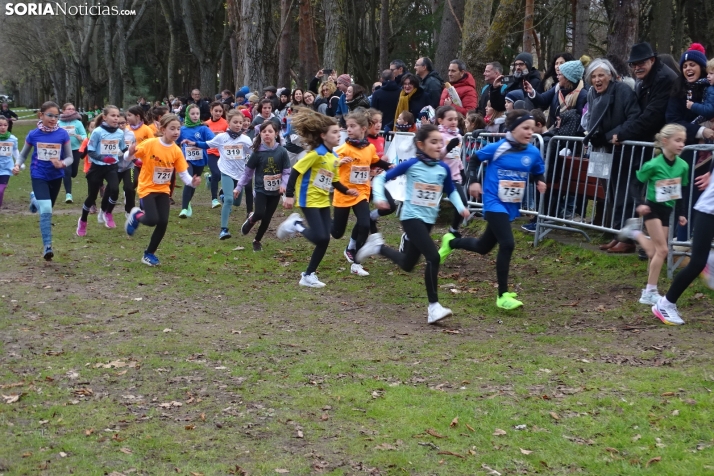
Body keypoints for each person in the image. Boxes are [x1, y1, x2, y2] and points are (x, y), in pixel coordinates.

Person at [355, 124, 469, 324]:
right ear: (420, 145)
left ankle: (378, 247)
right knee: (433, 256)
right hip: (410, 217)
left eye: (440, 142)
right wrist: (379, 197)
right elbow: (382, 178)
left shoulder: (442, 168)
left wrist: (460, 207)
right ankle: (433, 307)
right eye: (433, 142)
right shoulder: (411, 164)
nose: (438, 146)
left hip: (428, 220)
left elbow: (450, 190)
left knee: (408, 264)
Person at [438, 110, 547, 310]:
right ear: (513, 129)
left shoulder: (532, 152)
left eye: (532, 128)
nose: (530, 132)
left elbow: (537, 170)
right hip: (493, 200)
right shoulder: (498, 147)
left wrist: (540, 181)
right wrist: (475, 182)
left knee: (483, 246)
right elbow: (474, 159)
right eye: (525, 128)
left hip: (511, 203)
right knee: (507, 243)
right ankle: (502, 295)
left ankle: (452, 242)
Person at [276, 109, 356, 288]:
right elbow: (296, 171)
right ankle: (296, 224)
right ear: (323, 135)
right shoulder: (315, 154)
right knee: (321, 237)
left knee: (325, 239)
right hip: (308, 199)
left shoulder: (333, 156)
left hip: (322, 201)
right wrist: (289, 195)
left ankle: (308, 275)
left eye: (338, 132)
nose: (338, 135)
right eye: (334, 132)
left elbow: (333, 180)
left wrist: (346, 190)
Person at [618, 124, 689, 306]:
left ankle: (634, 232)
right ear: (665, 141)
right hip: (652, 209)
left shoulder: (683, 166)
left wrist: (681, 213)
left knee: (654, 252)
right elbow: (635, 184)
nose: (682, 144)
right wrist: (640, 204)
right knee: (663, 250)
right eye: (678, 140)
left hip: (667, 210)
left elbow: (680, 190)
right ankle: (649, 291)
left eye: (684, 141)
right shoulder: (653, 164)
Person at [124, 114, 201, 266]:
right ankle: (137, 215)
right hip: (147, 188)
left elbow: (183, 175)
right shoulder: (150, 144)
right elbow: (127, 158)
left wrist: (192, 182)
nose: (176, 132)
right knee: (152, 220)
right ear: (163, 129)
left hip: (163, 190)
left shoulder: (176, 151)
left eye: (178, 129)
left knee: (163, 222)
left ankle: (149, 254)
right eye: (172, 128)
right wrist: (131, 152)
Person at [582, 58, 641, 253]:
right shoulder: (592, 93)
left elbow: (634, 117)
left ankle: (627, 239)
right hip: (603, 151)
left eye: (601, 75)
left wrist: (608, 136)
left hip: (623, 150)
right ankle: (617, 234)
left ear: (611, 76)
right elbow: (591, 118)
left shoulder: (622, 90)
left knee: (625, 195)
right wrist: (593, 135)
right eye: (594, 76)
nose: (597, 80)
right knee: (612, 195)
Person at [651, 155, 712, 325]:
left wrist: (710, 173)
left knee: (701, 261)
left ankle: (711, 262)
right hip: (708, 211)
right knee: (697, 262)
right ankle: (665, 304)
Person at [332, 110, 392, 275]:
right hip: (344, 194)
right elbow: (328, 164)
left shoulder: (370, 148)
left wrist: (389, 166)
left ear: (363, 128)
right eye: (347, 126)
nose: (349, 129)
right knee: (337, 233)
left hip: (361, 193)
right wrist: (337, 162)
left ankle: (356, 263)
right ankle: (321, 222)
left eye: (353, 126)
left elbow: (374, 160)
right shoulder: (343, 149)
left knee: (365, 224)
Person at [12, 101, 73, 260]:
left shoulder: (62, 134)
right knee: (46, 208)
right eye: (50, 115)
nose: (53, 119)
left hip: (56, 175)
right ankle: (47, 246)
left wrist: (62, 163)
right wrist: (17, 164)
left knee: (47, 209)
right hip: (38, 174)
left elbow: (70, 158)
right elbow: (24, 154)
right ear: (41, 115)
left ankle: (34, 200)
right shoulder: (33, 134)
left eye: (56, 116)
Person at [666, 43, 714, 243]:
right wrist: (701, 130)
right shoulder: (678, 89)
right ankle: (676, 240)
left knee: (699, 197)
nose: (688, 69)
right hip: (684, 152)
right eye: (685, 66)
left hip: (707, 157)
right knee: (679, 198)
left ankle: (695, 242)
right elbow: (672, 119)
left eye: (693, 64)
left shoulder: (709, 89)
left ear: (702, 67)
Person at [187, 110, 254, 240]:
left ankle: (223, 195)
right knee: (229, 200)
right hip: (226, 171)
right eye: (235, 122)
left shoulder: (245, 139)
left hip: (240, 174)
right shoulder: (222, 137)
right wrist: (194, 143)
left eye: (240, 122)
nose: (238, 125)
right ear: (228, 123)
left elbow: (254, 152)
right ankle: (224, 230)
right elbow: (207, 144)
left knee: (237, 202)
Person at [234, 120, 290, 250]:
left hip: (276, 191)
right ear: (260, 134)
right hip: (260, 190)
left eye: (270, 131)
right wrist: (238, 187)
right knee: (259, 213)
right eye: (264, 132)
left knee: (267, 218)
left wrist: (284, 185)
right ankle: (251, 220)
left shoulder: (282, 151)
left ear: (276, 134)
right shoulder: (257, 152)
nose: (267, 134)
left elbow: (287, 172)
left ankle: (257, 241)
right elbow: (247, 173)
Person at [76, 106, 128, 235]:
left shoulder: (120, 133)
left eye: (117, 116)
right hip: (97, 167)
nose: (116, 118)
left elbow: (123, 148)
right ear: (105, 117)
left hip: (112, 166)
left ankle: (108, 213)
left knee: (115, 190)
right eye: (113, 115)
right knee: (92, 196)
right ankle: (83, 221)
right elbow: (91, 151)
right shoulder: (97, 132)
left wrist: (133, 156)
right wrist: (104, 159)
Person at [616, 42, 679, 143]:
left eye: (641, 63)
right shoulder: (644, 79)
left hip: (662, 140)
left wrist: (622, 134)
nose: (637, 68)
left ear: (652, 60)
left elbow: (652, 117)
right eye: (633, 64)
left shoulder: (664, 79)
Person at [525, 59, 587, 132]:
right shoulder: (558, 88)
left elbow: (582, 120)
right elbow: (543, 99)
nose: (557, 77)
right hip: (555, 130)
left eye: (560, 75)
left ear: (568, 78)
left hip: (569, 136)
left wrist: (564, 121)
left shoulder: (583, 95)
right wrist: (532, 91)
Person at [177, 104, 215, 218]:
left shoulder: (203, 128)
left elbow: (213, 141)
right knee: (189, 179)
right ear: (188, 115)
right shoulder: (182, 129)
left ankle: (188, 203)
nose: (195, 116)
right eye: (192, 114)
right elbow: (174, 141)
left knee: (193, 183)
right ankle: (183, 209)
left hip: (200, 160)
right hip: (187, 160)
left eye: (197, 114)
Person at [436, 106, 467, 237]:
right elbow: (436, 156)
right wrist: (448, 147)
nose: (454, 122)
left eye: (455, 119)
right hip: (437, 177)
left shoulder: (458, 136)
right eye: (450, 119)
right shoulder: (438, 136)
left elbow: (457, 156)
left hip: (453, 177)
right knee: (429, 208)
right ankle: (414, 232)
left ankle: (453, 229)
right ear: (440, 120)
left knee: (463, 203)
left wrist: (462, 170)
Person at [58, 103, 88, 204]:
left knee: (73, 173)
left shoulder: (78, 123)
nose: (71, 111)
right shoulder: (58, 123)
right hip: (63, 150)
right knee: (67, 171)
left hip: (75, 150)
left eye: (73, 109)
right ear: (63, 111)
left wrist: (81, 137)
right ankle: (68, 194)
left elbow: (85, 135)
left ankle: (69, 177)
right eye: (69, 109)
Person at [204, 101, 229, 209]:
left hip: (223, 154)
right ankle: (214, 199)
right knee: (216, 174)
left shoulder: (226, 123)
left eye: (220, 111)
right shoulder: (206, 124)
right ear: (211, 111)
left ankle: (210, 179)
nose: (218, 113)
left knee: (219, 176)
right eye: (216, 111)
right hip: (210, 153)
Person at [0, 116, 20, 208]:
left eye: (5, 125)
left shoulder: (13, 139)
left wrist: (19, 163)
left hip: (6, 167)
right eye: (0, 125)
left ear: (8, 126)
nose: (3, 127)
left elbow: (15, 151)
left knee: (1, 189)